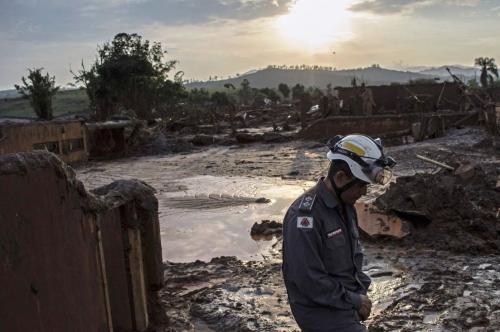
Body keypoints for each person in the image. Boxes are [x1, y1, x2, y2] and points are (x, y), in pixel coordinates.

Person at [282, 134, 396, 332]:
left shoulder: (345, 205)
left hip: (343, 301)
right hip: (319, 309)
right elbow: (308, 280)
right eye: (361, 185)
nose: (364, 192)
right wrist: (354, 300)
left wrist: (361, 293)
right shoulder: (304, 217)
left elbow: (354, 257)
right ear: (341, 178)